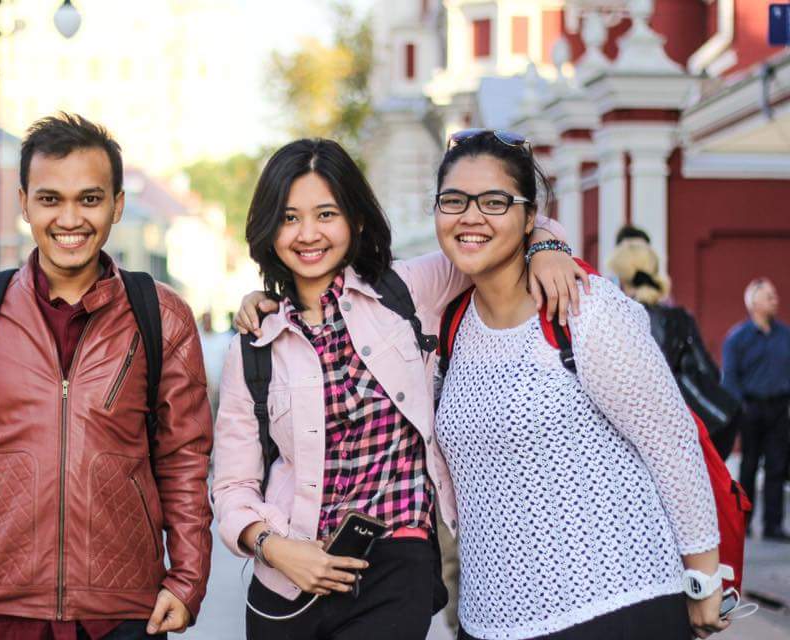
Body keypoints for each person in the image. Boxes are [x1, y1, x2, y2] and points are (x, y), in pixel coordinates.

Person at [214, 138, 585, 640]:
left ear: (356, 220)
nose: (307, 234)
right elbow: (232, 486)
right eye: (288, 218)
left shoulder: (408, 290)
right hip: (288, 579)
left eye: (326, 214)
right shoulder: (255, 346)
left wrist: (546, 245)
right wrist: (273, 546)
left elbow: (488, 233)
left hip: (395, 561)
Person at [0, 113, 213, 640]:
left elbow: (184, 459)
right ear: (25, 202)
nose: (70, 218)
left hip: (124, 609)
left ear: (118, 205)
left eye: (90, 199)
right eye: (50, 199)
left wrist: (187, 580)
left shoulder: (161, 314)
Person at [430, 131, 727, 640]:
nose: (470, 216)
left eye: (495, 202)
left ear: (530, 219)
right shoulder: (449, 319)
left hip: (613, 605)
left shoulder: (586, 311)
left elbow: (672, 442)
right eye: (453, 200)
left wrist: (703, 579)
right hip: (490, 620)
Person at [607, 239, 739, 458]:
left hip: (642, 440)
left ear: (622, 278)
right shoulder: (679, 317)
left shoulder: (619, 319)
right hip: (696, 433)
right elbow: (710, 372)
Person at [722, 278, 790, 541]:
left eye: (774, 294)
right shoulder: (738, 338)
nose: (775, 299)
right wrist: (740, 408)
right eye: (768, 295)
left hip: (778, 409)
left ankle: (773, 525)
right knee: (748, 465)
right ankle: (744, 524)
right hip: (751, 409)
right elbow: (731, 378)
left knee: (776, 466)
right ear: (754, 303)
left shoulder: (785, 336)